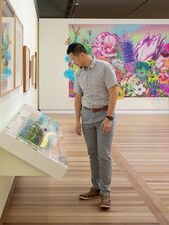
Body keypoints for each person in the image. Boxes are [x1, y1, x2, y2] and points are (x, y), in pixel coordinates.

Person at [67, 43, 117, 209]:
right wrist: (77, 120)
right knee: (92, 154)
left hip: (104, 115)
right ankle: (95, 187)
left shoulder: (104, 67)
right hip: (87, 116)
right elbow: (77, 98)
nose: (72, 62)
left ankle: (105, 193)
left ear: (81, 55)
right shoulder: (79, 73)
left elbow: (113, 93)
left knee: (104, 154)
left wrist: (109, 117)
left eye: (73, 59)